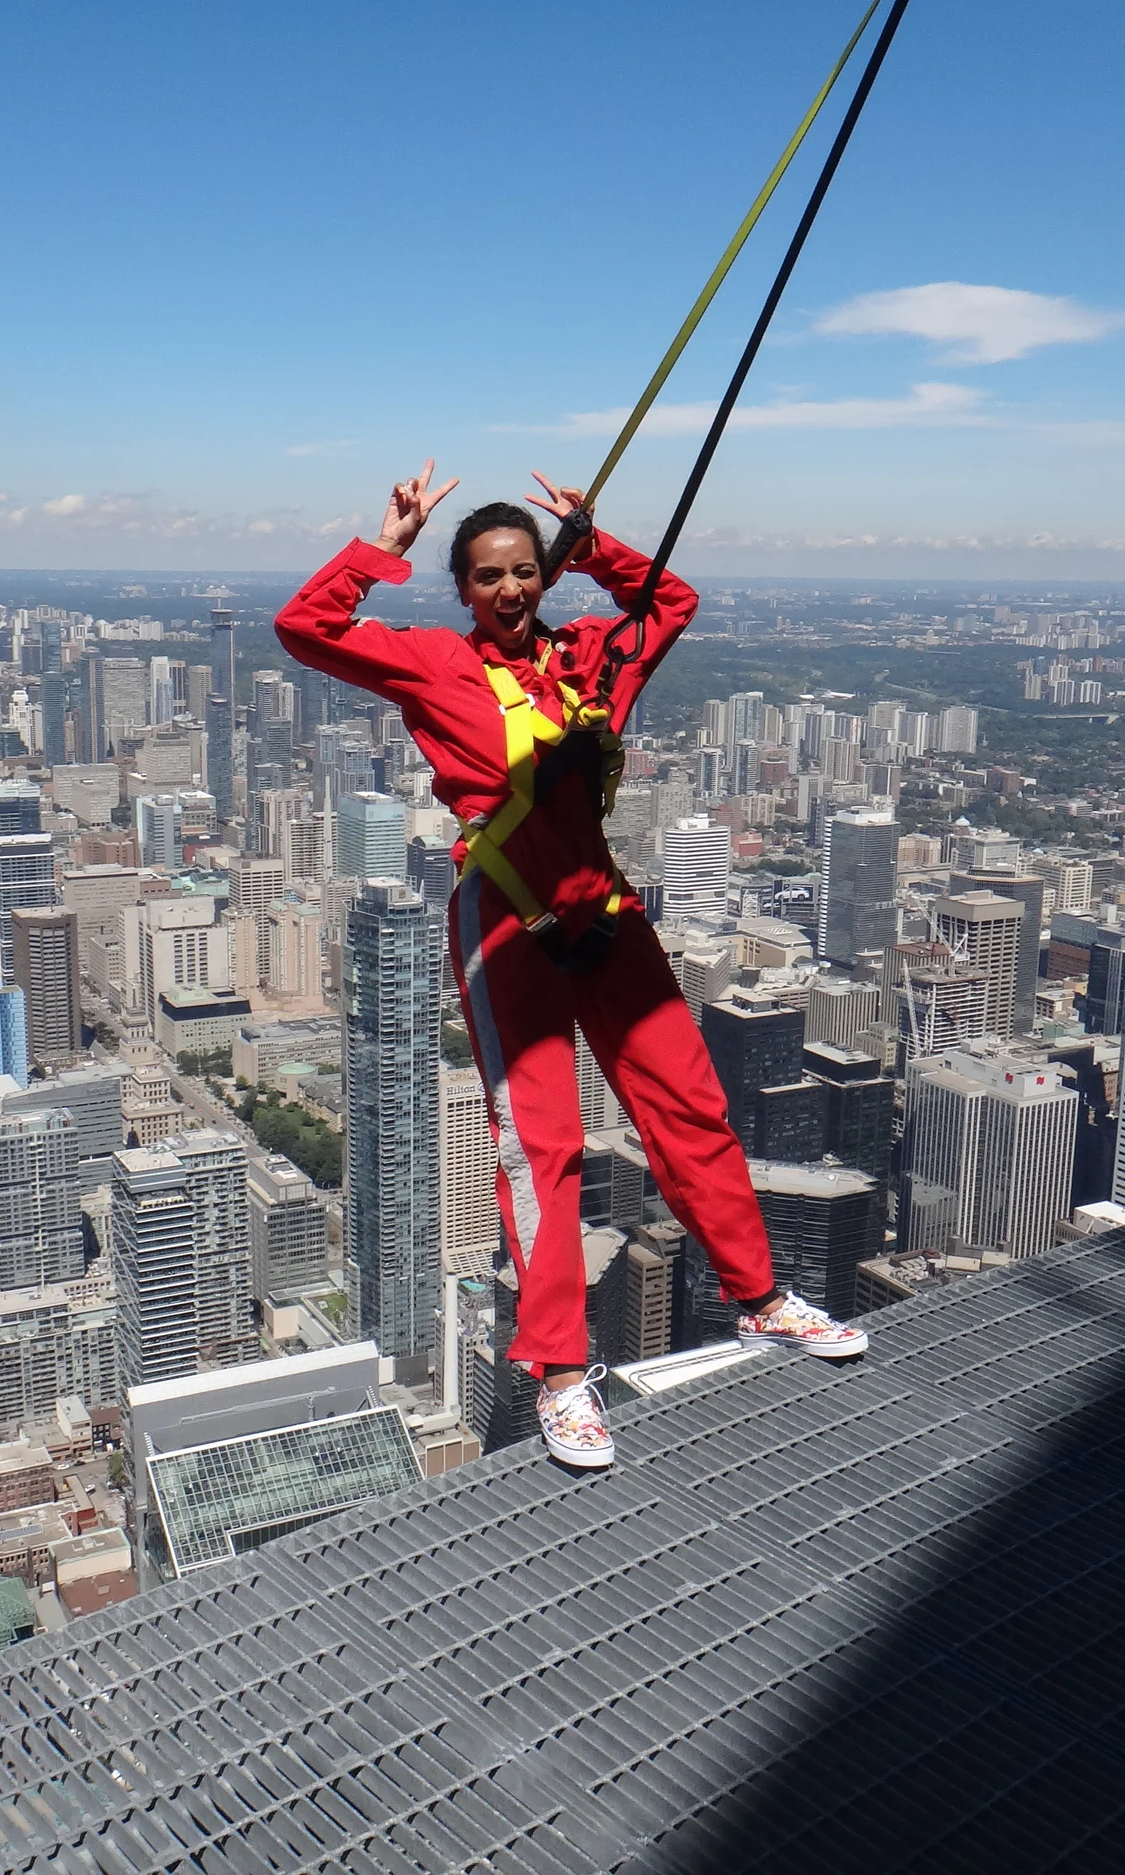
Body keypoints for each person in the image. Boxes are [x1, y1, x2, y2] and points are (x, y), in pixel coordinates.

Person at [275, 462, 866, 1469]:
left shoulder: (596, 658)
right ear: (461, 591)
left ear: (541, 581)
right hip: (509, 921)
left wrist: (591, 543)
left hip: (605, 910)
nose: (507, 589)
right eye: (487, 576)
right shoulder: (433, 665)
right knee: (538, 1148)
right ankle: (557, 1373)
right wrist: (387, 546)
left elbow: (670, 599)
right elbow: (306, 627)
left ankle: (760, 1299)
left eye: (522, 572)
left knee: (690, 1110)